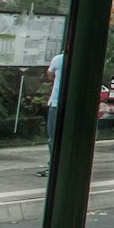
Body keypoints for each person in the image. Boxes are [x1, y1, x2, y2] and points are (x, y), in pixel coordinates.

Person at [36, 49, 66, 178]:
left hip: (56, 103)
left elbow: (50, 74)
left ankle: (53, 166)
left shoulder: (58, 59)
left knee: (52, 137)